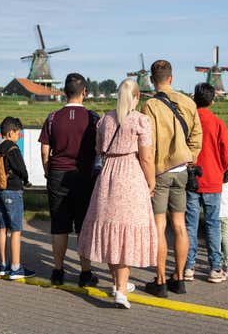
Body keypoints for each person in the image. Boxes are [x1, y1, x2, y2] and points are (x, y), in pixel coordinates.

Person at [77, 79, 157, 309]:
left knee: (111, 231)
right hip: (131, 176)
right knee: (126, 234)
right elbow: (146, 157)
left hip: (107, 176)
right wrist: (151, 182)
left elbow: (99, 149)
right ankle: (121, 291)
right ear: (137, 97)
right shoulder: (141, 121)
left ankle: (117, 282)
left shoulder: (105, 120)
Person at [141, 60, 202, 297]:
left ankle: (160, 281)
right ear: (171, 78)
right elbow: (197, 135)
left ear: (151, 80)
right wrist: (190, 157)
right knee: (180, 225)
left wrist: (149, 175)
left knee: (159, 226)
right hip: (182, 169)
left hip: (160, 171)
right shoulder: (188, 102)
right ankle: (179, 278)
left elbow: (149, 142)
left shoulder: (150, 105)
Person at [39, 72, 100, 287]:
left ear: (65, 92)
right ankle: (85, 272)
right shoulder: (93, 118)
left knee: (59, 225)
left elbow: (45, 151)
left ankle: (58, 271)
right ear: (84, 92)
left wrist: (48, 171)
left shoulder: (53, 117)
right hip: (84, 176)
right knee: (84, 226)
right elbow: (99, 149)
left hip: (57, 174)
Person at [185, 83, 228, 284]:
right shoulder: (218, 123)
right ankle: (215, 268)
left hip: (191, 178)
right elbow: (227, 154)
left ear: (194, 98)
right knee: (213, 224)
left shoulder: (188, 121)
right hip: (213, 179)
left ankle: (188, 266)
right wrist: (220, 169)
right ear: (212, 100)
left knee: (190, 224)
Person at [0, 116, 35, 280]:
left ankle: (3, 265)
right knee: (16, 230)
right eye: (18, 133)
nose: (19, 136)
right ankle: (16, 267)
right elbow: (21, 169)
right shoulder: (12, 148)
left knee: (2, 228)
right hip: (12, 190)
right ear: (10, 133)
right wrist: (26, 179)